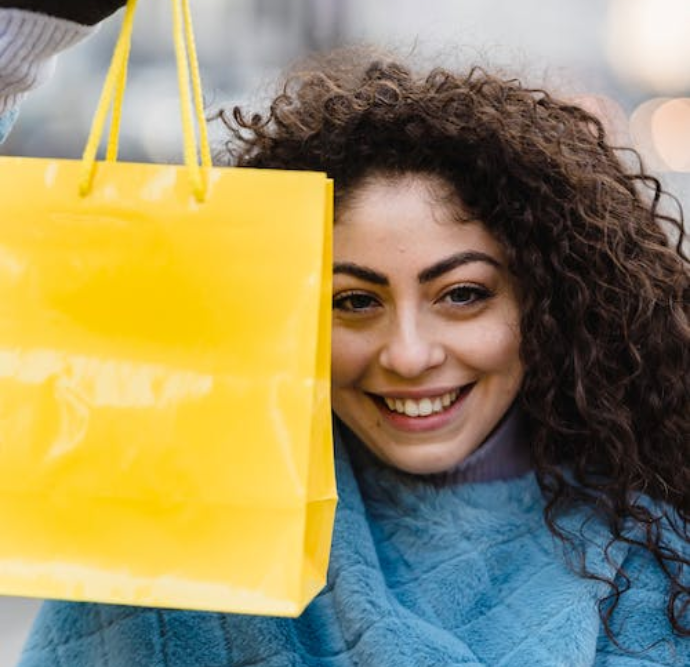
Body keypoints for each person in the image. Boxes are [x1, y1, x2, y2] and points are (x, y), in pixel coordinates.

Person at [1, 3, 689, 666]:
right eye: (354, 300)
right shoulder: (176, 537)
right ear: (283, 310)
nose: (409, 354)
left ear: (544, 306)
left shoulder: (655, 567)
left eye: (463, 295)